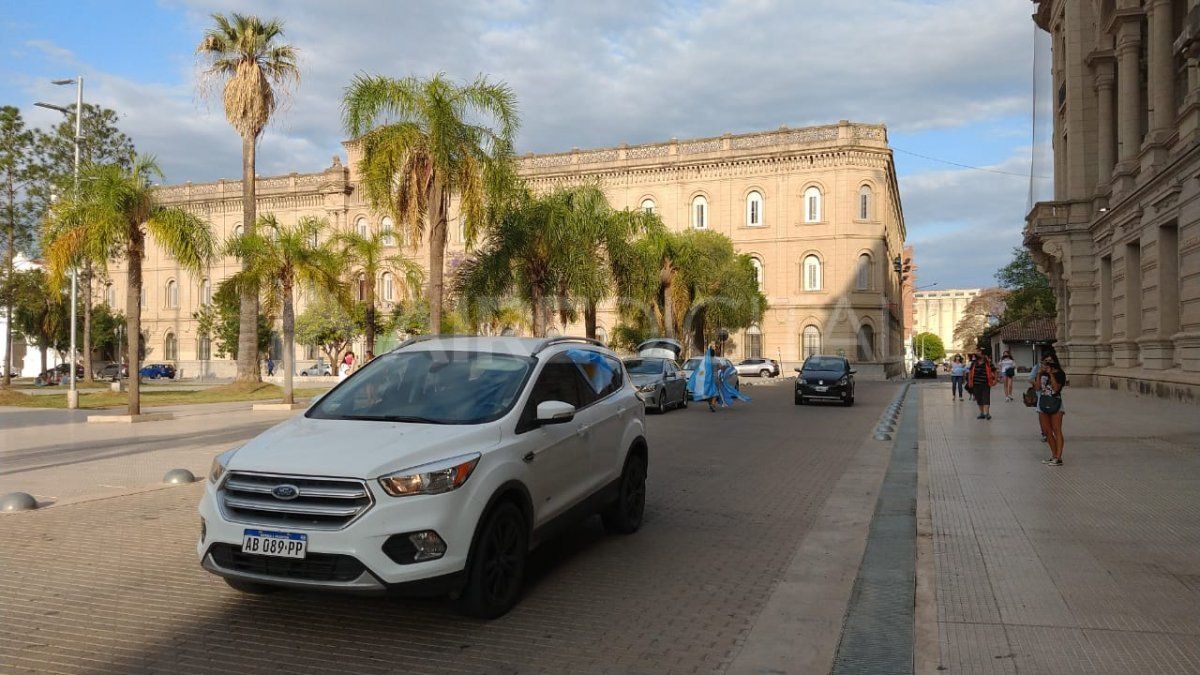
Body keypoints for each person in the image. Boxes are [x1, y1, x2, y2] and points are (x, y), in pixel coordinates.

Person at [1036, 353, 1067, 466]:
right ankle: (1053, 455)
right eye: (1045, 361)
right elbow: (1038, 388)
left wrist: (1051, 374)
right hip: (1043, 403)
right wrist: (1039, 375)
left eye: (1050, 361)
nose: (1047, 363)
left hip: (1056, 403)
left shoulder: (1060, 373)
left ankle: (1059, 457)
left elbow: (1056, 388)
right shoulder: (1042, 374)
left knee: (1056, 430)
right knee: (1047, 431)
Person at [687, 347, 721, 412]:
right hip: (715, 378)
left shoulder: (705, 361)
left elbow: (701, 369)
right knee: (715, 392)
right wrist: (716, 369)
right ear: (714, 354)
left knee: (707, 391)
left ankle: (710, 403)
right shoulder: (716, 360)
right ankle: (713, 404)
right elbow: (720, 367)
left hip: (707, 379)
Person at [966, 348, 996, 420]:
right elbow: (970, 372)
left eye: (978, 352)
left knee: (986, 398)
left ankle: (987, 413)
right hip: (976, 384)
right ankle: (982, 413)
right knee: (979, 399)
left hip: (986, 383)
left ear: (982, 354)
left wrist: (995, 380)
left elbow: (994, 370)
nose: (977, 353)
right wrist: (969, 382)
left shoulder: (988, 362)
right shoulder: (974, 363)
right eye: (976, 352)